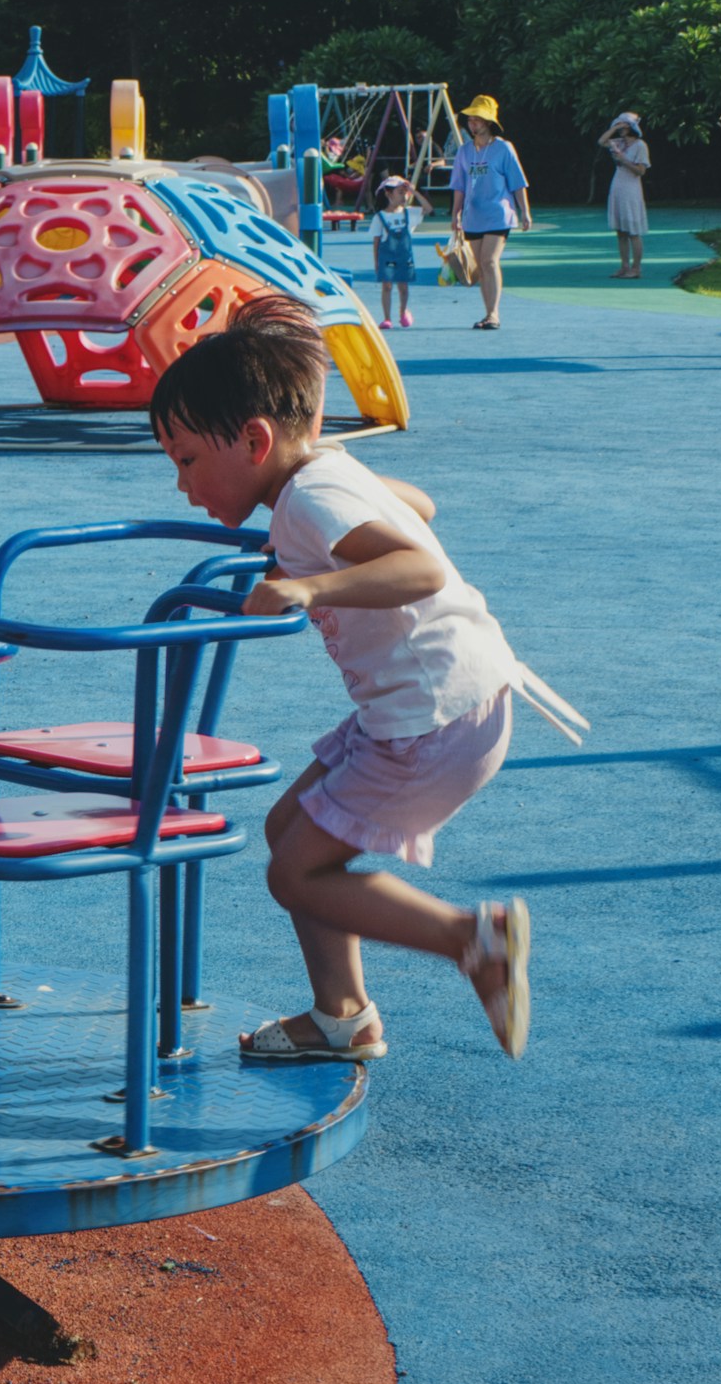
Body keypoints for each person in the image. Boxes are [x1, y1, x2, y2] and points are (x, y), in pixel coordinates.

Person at [151, 295, 554, 1063]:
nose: (183, 486)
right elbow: (424, 508)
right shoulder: (322, 477)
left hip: (432, 721)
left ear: (254, 439)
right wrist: (358, 507)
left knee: (294, 874)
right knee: (288, 833)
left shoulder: (310, 497)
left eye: (187, 460)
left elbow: (419, 563)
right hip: (447, 704)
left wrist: (312, 586)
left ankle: (473, 940)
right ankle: (343, 1017)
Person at [449, 95, 532, 331]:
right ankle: (487, 313)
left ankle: (494, 314)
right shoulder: (465, 151)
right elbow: (459, 185)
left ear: (488, 121)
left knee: (489, 261)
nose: (472, 123)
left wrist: (525, 211)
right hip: (473, 217)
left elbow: (517, 182)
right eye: (470, 119)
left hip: (498, 213)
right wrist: (455, 214)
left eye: (477, 119)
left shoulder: (503, 148)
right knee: (481, 266)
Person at [369, 171, 429, 328]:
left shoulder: (409, 214)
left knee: (403, 286)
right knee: (386, 286)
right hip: (386, 256)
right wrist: (376, 262)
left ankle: (403, 312)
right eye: (400, 192)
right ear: (388, 193)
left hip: (404, 255)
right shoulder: (380, 217)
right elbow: (376, 242)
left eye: (406, 193)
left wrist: (414, 190)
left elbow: (428, 208)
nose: (404, 196)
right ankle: (387, 317)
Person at [601, 112, 651, 279]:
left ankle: (636, 268)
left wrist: (624, 160)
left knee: (633, 231)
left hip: (631, 188)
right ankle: (624, 266)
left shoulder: (640, 145)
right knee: (621, 231)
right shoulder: (618, 143)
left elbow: (641, 171)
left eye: (624, 126)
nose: (621, 129)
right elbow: (601, 142)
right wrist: (614, 128)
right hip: (618, 186)